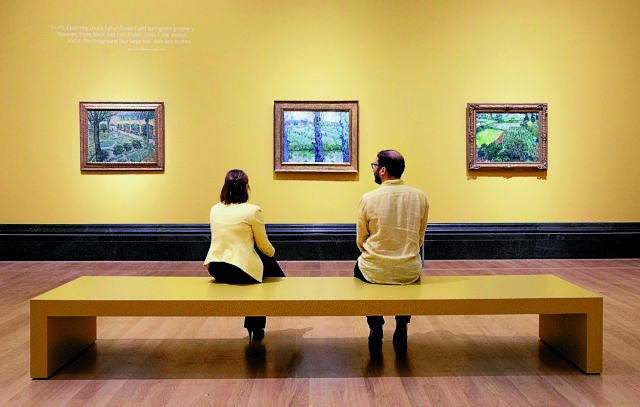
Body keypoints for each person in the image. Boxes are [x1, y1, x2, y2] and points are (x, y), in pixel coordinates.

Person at [355, 150, 429, 350]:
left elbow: (361, 240)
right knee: (410, 275)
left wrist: (375, 253)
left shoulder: (368, 198)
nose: (373, 169)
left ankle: (375, 325)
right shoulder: (420, 197)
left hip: (374, 269)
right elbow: (419, 237)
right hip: (408, 270)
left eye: (374, 166)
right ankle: (402, 321)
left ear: (383, 171)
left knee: (360, 270)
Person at [203, 169, 285, 342]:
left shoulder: (214, 209)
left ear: (225, 188)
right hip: (240, 271)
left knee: (254, 254)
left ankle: (255, 326)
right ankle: (258, 325)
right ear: (246, 188)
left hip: (216, 268)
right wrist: (272, 252)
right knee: (265, 260)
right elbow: (265, 247)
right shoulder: (252, 211)